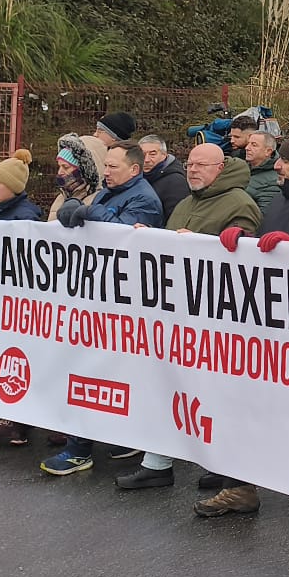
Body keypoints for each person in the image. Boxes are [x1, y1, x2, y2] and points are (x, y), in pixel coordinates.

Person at [40, 142, 164, 475]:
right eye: (105, 165)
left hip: (120, 301)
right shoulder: (111, 191)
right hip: (99, 295)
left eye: (112, 166)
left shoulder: (144, 200)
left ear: (134, 169)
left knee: (95, 371)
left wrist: (87, 211)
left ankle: (79, 450)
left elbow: (123, 239)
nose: (105, 171)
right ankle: (117, 437)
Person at [0, 150, 45, 446]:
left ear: (13, 187)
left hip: (17, 302)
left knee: (17, 358)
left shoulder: (26, 217)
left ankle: (17, 423)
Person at [164, 144, 261, 238]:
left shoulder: (241, 206)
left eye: (201, 165)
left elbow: (240, 246)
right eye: (189, 164)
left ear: (220, 168)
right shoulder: (185, 203)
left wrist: (196, 241)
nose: (193, 170)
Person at [138, 133, 191, 222]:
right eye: (142, 155)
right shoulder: (136, 176)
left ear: (164, 154)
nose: (146, 160)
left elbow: (176, 219)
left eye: (152, 154)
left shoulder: (175, 181)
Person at [240, 127, 282, 212]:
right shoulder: (242, 168)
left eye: (254, 145)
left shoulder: (273, 181)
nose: (247, 148)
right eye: (248, 144)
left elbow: (265, 214)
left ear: (268, 151)